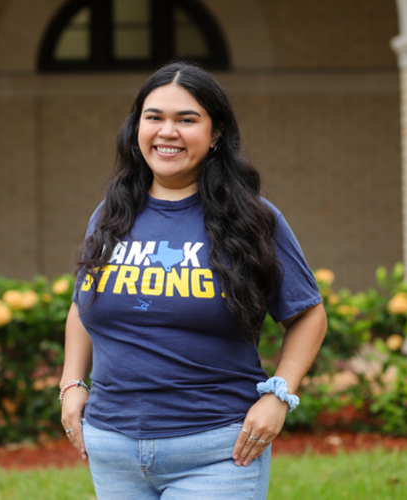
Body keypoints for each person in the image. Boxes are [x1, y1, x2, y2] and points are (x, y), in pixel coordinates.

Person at [59, 62, 327, 500]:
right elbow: (82, 305)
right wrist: (71, 383)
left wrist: (279, 396)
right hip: (112, 450)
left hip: (218, 450)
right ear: (137, 127)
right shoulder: (112, 213)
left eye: (187, 119)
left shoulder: (253, 219)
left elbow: (308, 314)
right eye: (154, 117)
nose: (168, 132)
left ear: (216, 132)